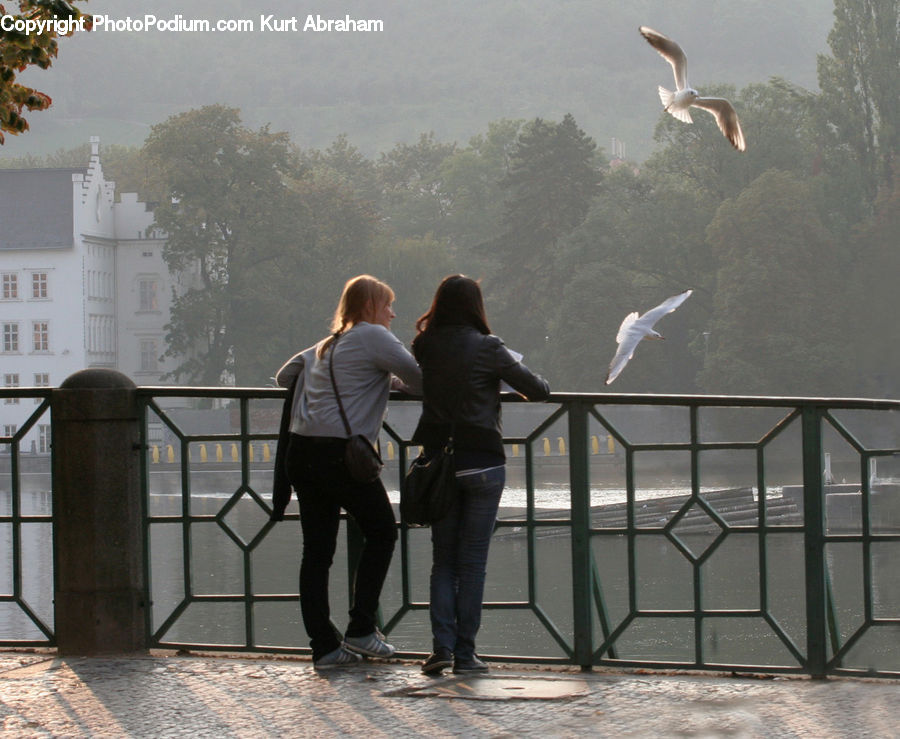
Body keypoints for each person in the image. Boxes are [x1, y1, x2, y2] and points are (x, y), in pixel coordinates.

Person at [273, 275, 422, 669]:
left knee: (317, 552)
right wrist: (386, 380)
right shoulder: (374, 336)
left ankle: (323, 646)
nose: (393, 313)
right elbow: (422, 380)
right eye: (387, 304)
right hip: (340, 455)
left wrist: (366, 378)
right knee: (382, 532)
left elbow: (284, 377)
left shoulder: (325, 345)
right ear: (370, 306)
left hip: (301, 450)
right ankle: (361, 628)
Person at [410, 275, 550, 675]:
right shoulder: (489, 347)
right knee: (472, 564)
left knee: (443, 563)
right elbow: (537, 389)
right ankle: (467, 655)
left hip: (438, 464)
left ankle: (441, 648)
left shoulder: (425, 344)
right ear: (476, 307)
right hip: (482, 462)